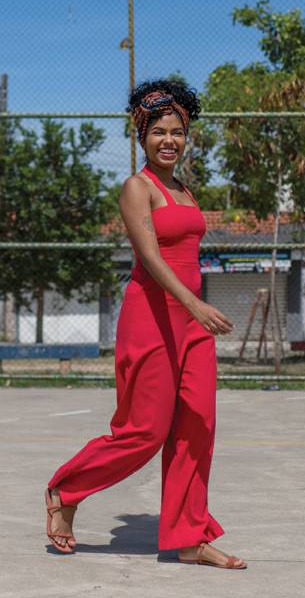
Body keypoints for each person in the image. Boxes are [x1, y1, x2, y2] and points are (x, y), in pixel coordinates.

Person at [43, 80, 246, 569]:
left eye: (177, 131)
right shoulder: (138, 187)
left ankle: (189, 537)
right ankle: (65, 492)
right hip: (152, 319)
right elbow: (151, 257)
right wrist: (194, 305)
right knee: (144, 431)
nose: (169, 141)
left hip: (190, 325)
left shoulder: (184, 189)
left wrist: (195, 313)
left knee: (197, 427)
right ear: (142, 136)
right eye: (159, 132)